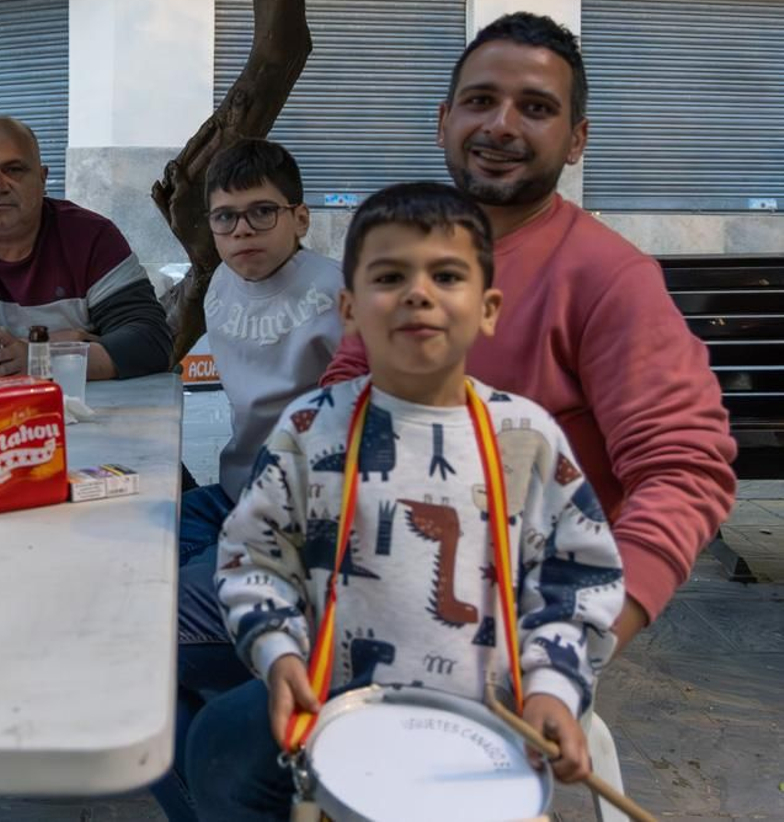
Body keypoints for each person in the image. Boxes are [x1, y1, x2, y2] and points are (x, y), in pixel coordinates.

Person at [186, 183, 625, 820]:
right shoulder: (311, 430)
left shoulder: (526, 440)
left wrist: (554, 685)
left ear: (488, 308)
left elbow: (578, 582)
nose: (418, 293)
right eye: (390, 277)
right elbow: (253, 559)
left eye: (446, 276)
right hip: (333, 701)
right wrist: (278, 652)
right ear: (349, 310)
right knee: (216, 750)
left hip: (485, 723)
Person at [324, 12, 736, 653]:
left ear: (577, 140)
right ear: (443, 121)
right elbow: (345, 387)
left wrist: (585, 634)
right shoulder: (406, 246)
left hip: (505, 624)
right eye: (480, 101)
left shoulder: (609, 278)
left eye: (536, 108)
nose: (501, 125)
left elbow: (683, 469)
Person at [156, 139, 345, 822]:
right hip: (233, 489)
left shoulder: (339, 295)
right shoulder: (217, 287)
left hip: (297, 521)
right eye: (225, 217)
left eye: (262, 212)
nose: (242, 231)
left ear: (300, 217)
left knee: (137, 640)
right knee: (128, 543)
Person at [0, 117, 172, 380]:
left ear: (42, 178)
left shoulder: (91, 236)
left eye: (14, 169)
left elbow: (151, 340)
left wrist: (40, 359)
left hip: (78, 408)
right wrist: (44, 346)